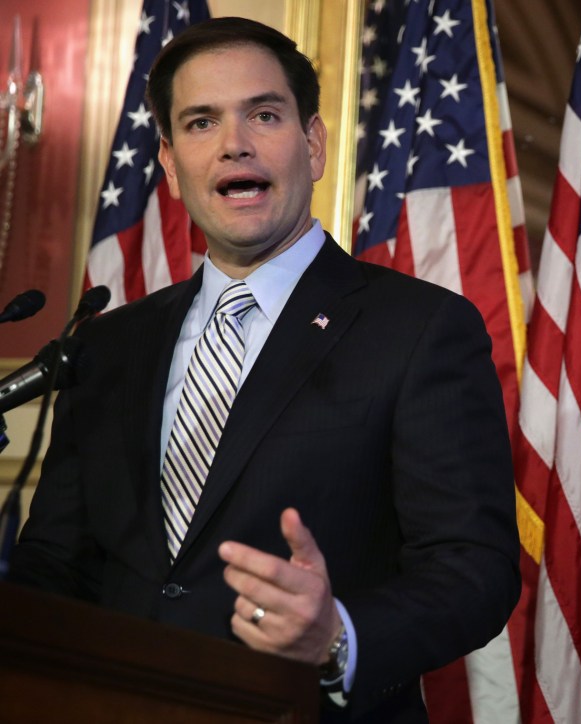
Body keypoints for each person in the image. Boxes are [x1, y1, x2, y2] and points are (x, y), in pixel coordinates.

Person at [9, 17, 520, 723]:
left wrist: (336, 634)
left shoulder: (421, 330)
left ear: (312, 146)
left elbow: (475, 571)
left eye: (264, 114)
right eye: (200, 122)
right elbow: (52, 570)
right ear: (168, 160)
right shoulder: (107, 347)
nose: (233, 144)